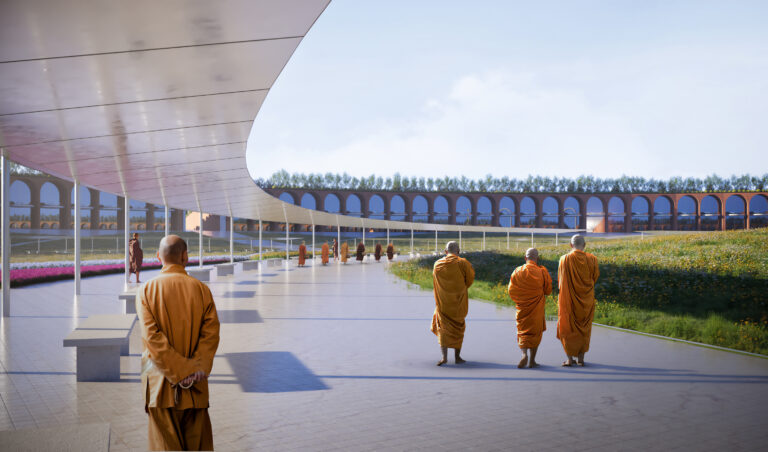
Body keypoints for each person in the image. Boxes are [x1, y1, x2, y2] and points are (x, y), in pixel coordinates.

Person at [137, 235, 220, 450]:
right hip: (196, 385)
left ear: (158, 257)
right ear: (185, 257)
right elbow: (211, 334)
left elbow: (152, 339)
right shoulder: (202, 290)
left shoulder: (146, 290)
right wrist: (196, 369)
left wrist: (180, 372)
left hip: (160, 386)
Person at [557, 234, 599, 367]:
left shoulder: (564, 259)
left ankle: (569, 359)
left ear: (570, 245)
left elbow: (560, 280)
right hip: (587, 299)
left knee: (568, 327)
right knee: (584, 327)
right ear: (584, 245)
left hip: (568, 299)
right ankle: (581, 358)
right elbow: (595, 277)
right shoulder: (592, 259)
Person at [430, 241, 474, 366]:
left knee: (443, 328)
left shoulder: (437, 264)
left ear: (445, 251)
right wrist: (460, 288)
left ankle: (444, 357)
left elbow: (435, 281)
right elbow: (469, 280)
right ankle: (457, 357)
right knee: (458, 327)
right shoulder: (463, 263)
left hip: (443, 302)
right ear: (458, 251)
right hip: (458, 302)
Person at [507, 248, 552, 368]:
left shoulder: (517, 271)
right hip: (537, 308)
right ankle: (532, 360)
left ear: (525, 257)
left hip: (522, 307)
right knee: (535, 333)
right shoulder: (542, 272)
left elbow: (511, 290)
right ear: (537, 258)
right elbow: (548, 291)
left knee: (522, 332)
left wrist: (520, 300)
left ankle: (523, 355)